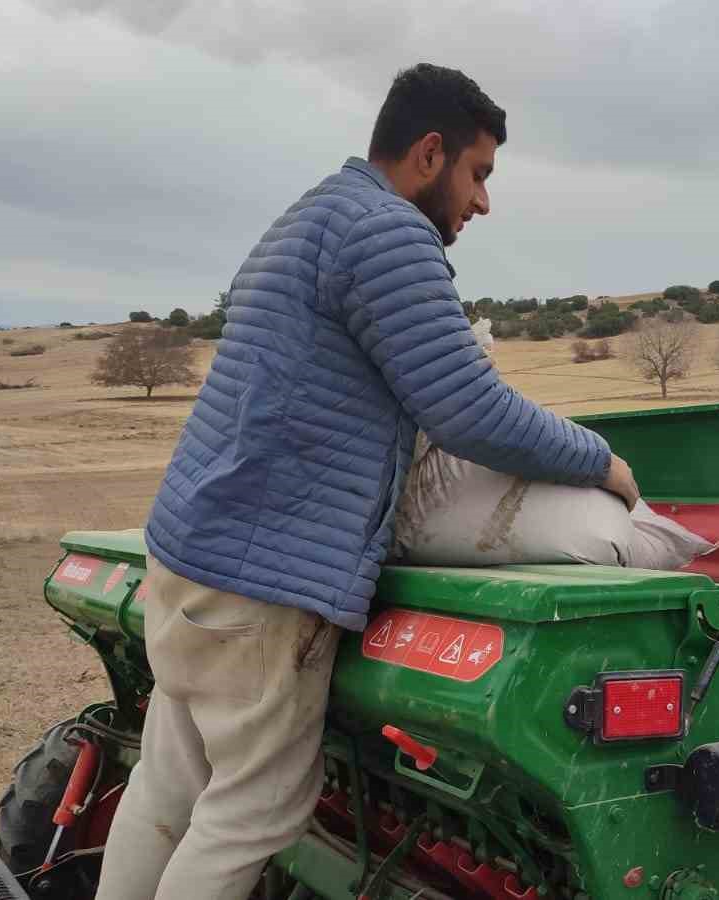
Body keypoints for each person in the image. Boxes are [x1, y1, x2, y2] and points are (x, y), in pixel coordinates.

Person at [93, 63, 640, 900]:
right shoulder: (387, 233)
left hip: (190, 556)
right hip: (261, 586)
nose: (483, 203)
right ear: (430, 152)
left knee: (170, 787)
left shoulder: (309, 216)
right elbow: (468, 408)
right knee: (254, 812)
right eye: (479, 174)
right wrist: (599, 461)